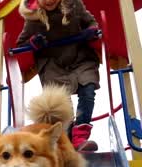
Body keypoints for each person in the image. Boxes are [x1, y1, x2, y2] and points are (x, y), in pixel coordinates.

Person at [16, 0, 100, 151]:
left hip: (79, 56)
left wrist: (91, 30)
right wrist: (33, 42)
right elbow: (21, 44)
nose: (49, 1)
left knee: (88, 89)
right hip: (53, 63)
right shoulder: (33, 17)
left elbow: (90, 21)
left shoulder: (74, 5)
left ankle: (80, 135)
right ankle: (66, 139)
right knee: (61, 103)